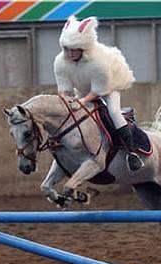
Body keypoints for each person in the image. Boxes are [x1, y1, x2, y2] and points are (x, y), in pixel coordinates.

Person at [53, 15, 144, 171]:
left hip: (109, 86)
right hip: (83, 89)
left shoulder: (98, 62)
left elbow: (97, 92)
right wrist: (67, 105)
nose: (69, 53)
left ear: (84, 48)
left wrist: (81, 102)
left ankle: (132, 153)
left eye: (73, 49)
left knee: (114, 112)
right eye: (66, 48)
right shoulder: (60, 62)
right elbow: (65, 90)